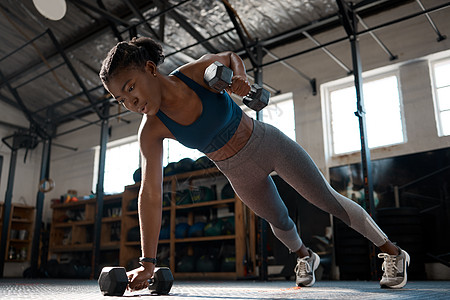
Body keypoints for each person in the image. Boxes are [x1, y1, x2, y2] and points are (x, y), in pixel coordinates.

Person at [99, 37, 410, 291]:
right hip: (237, 171)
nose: (131, 102)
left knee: (326, 200)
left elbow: (230, 57)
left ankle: (393, 253)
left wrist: (239, 79)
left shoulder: (195, 74)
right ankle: (306, 257)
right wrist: (148, 262)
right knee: (279, 220)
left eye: (130, 88)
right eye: (121, 100)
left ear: (151, 69)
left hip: (268, 144)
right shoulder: (152, 130)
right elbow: (150, 194)